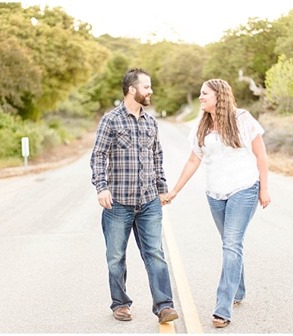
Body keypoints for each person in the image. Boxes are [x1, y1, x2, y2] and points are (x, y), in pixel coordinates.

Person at [165, 78, 271, 328]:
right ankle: (239, 290)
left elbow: (261, 154)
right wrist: (175, 191)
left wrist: (264, 189)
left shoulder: (242, 119)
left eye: (205, 94)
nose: (200, 98)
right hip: (214, 193)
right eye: (201, 94)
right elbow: (193, 161)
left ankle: (222, 308)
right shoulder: (201, 126)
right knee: (230, 244)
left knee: (232, 243)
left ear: (219, 96)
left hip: (243, 188)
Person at [90, 68, 179, 324]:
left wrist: (162, 188)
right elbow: (98, 155)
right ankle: (120, 303)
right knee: (116, 256)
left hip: (149, 200)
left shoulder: (151, 122)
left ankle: (164, 306)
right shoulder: (111, 120)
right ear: (132, 89)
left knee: (155, 253)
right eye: (146, 87)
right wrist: (101, 186)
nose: (150, 91)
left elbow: (157, 157)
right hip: (118, 202)